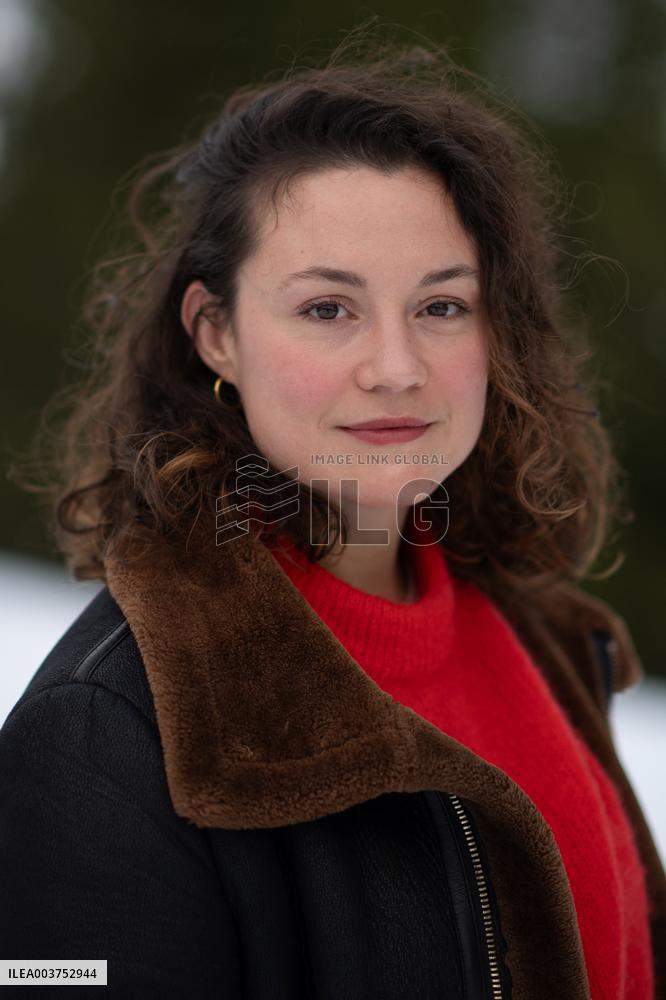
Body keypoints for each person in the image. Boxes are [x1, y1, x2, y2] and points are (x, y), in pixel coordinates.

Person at [1, 27, 664, 999]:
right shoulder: (107, 735)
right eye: (328, 309)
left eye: (441, 307)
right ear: (216, 334)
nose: (396, 366)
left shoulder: (546, 636)